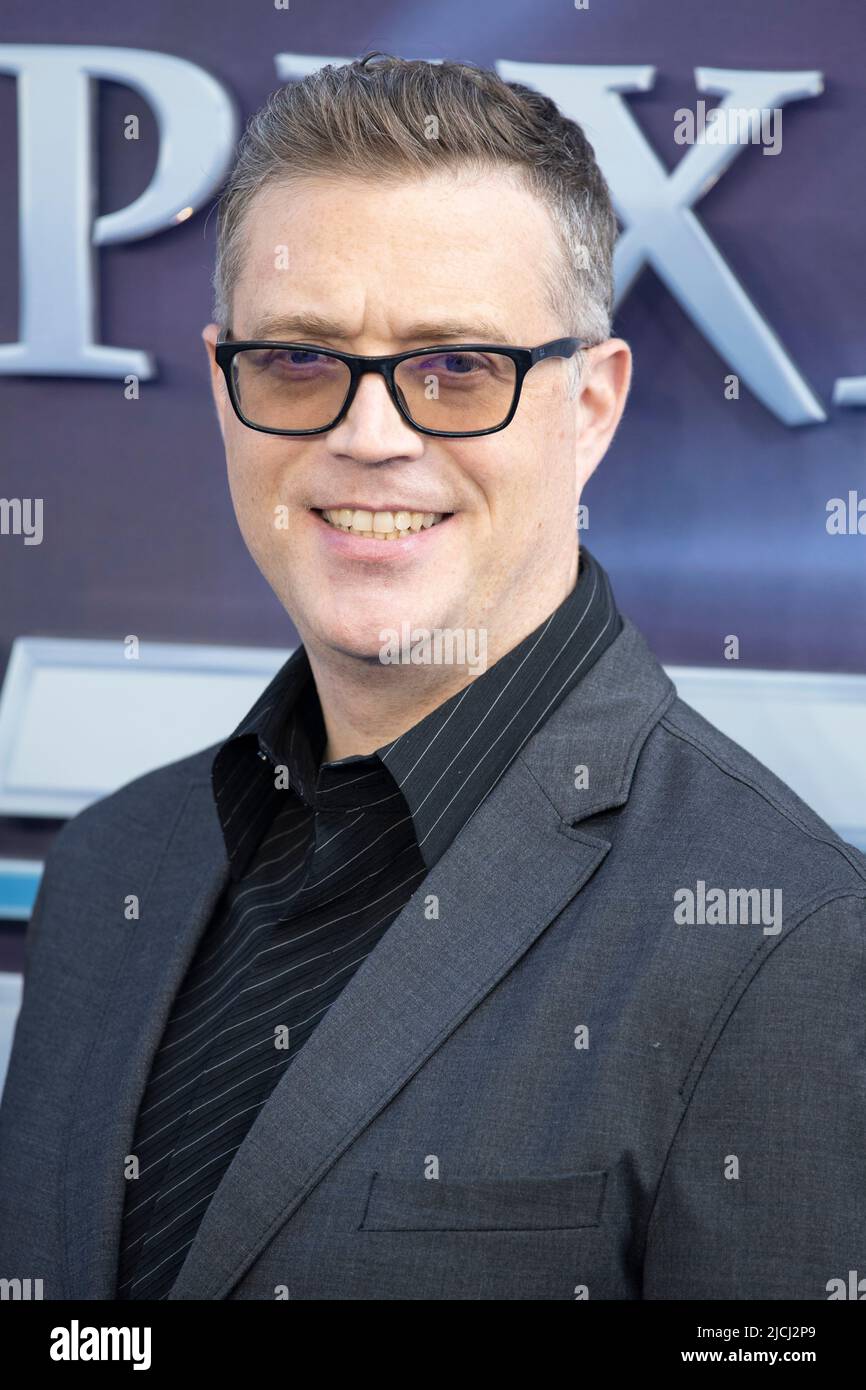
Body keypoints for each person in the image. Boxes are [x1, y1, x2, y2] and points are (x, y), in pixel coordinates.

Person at [1, 53, 864, 1302]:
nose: (370, 434)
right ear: (222, 388)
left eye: (455, 367)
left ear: (591, 406)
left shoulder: (789, 944)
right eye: (298, 360)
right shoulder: (105, 872)